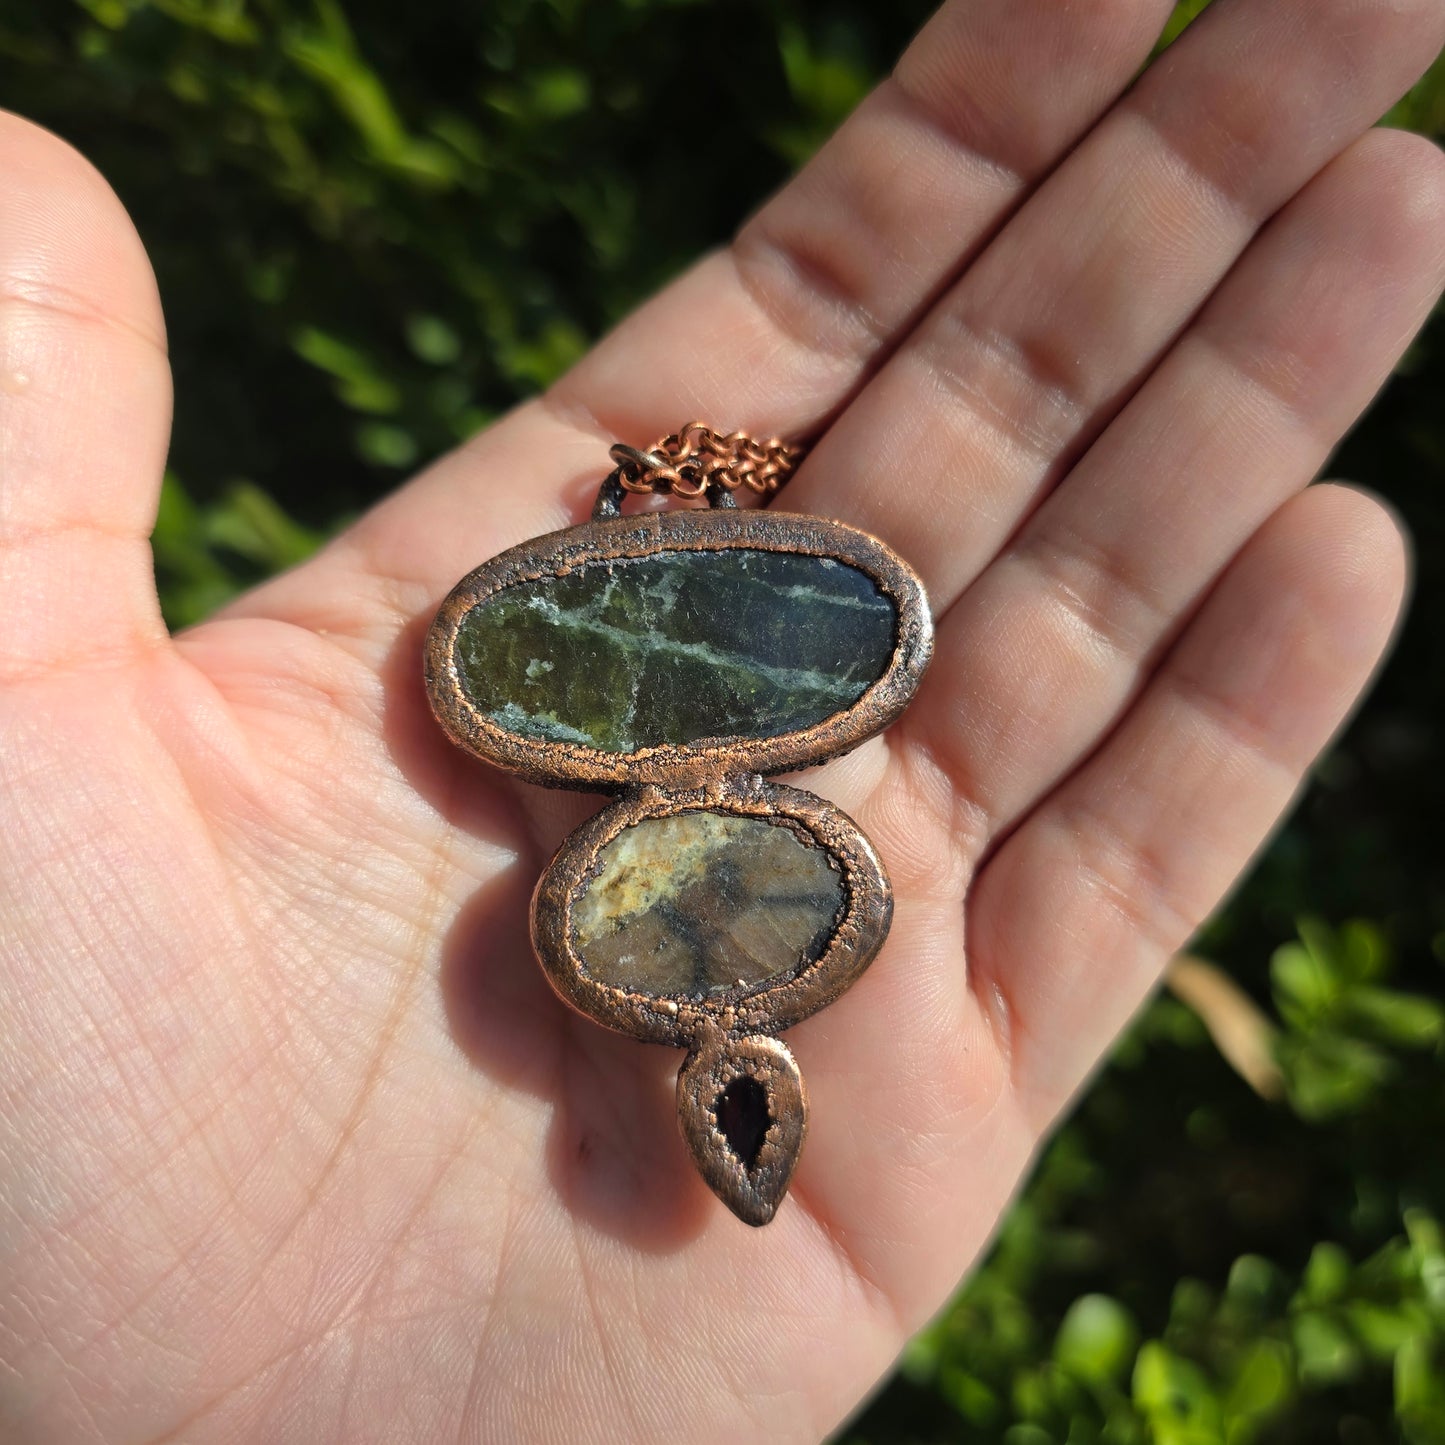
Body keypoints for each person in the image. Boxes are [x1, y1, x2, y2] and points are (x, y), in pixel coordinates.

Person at [2, 0, 1443, 1439]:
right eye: (742, 1119)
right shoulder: (680, 806)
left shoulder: (737, 791)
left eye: (735, 1123)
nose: (738, 1122)